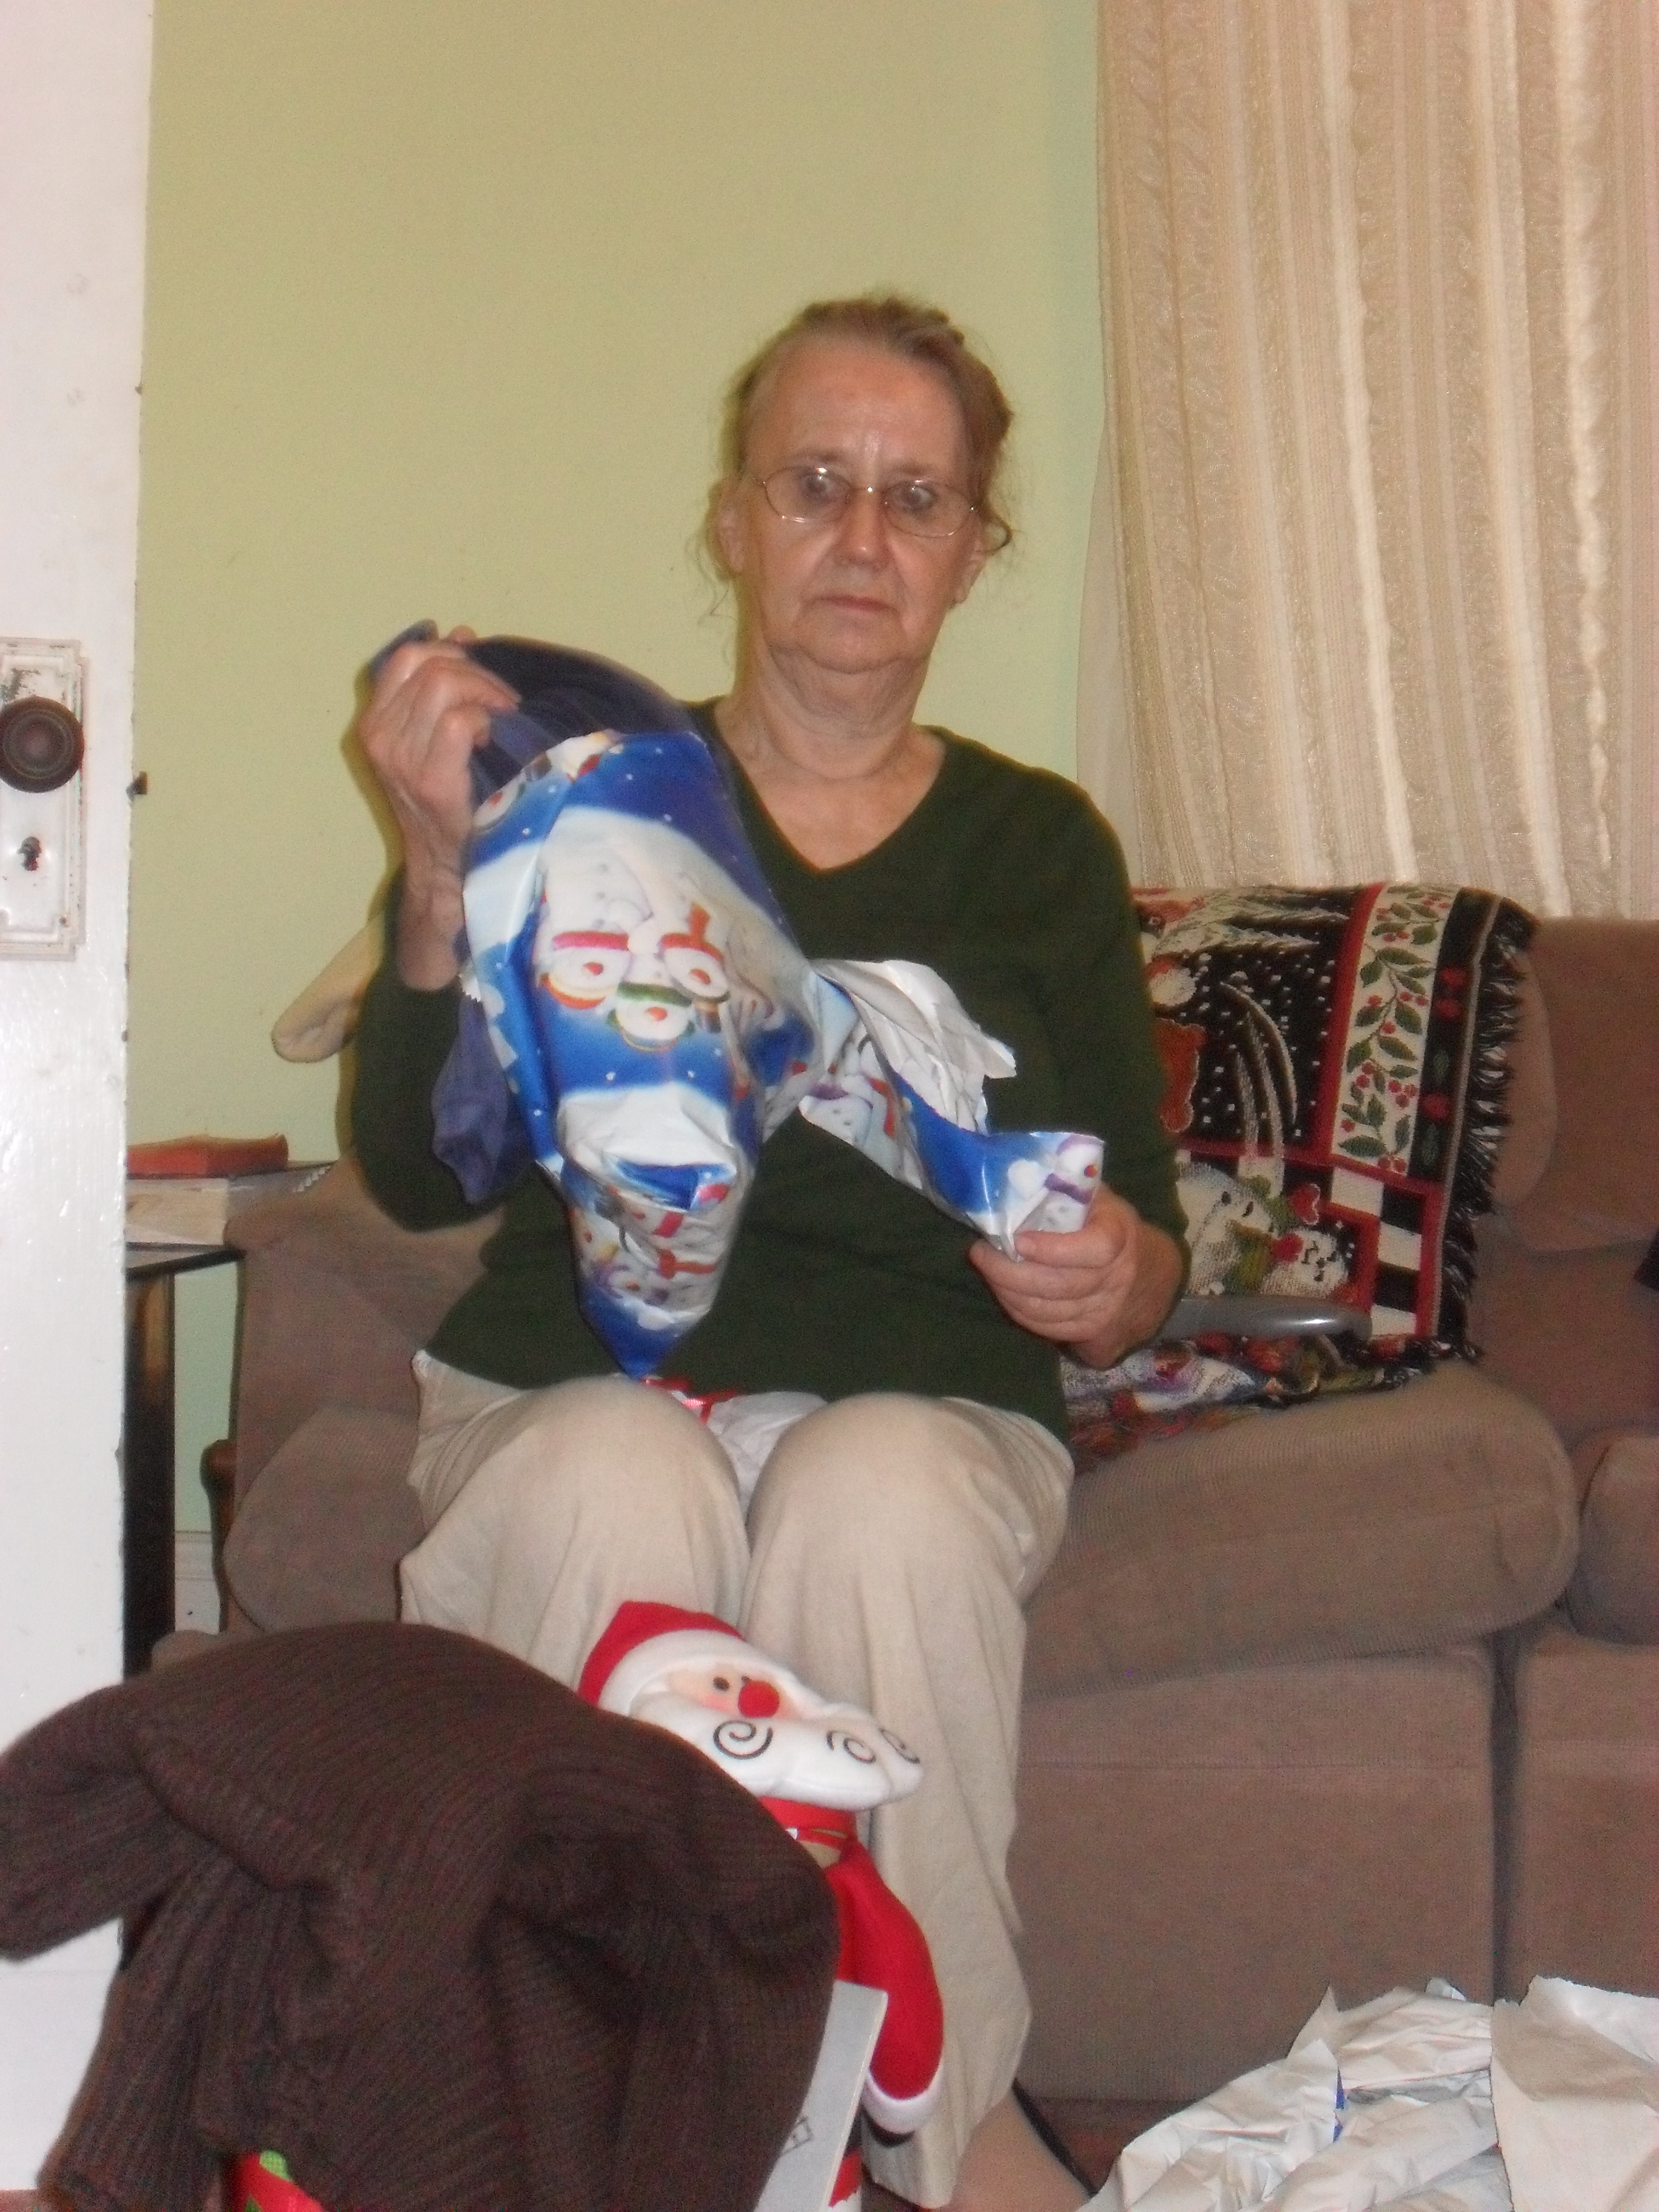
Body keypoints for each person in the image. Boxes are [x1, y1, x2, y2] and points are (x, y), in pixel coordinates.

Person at [351, 295, 1186, 2212]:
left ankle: (942, 2133)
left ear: (974, 550)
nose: (864, 538)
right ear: (734, 520)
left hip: (927, 1406)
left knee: (873, 1492)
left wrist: (1107, 1275)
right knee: (610, 1470)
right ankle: (579, 2136)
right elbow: (411, 1171)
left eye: (918, 497)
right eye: (817, 484)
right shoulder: (583, 789)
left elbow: (1140, 1269)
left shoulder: (1040, 847)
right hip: (578, 1376)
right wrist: (434, 862)